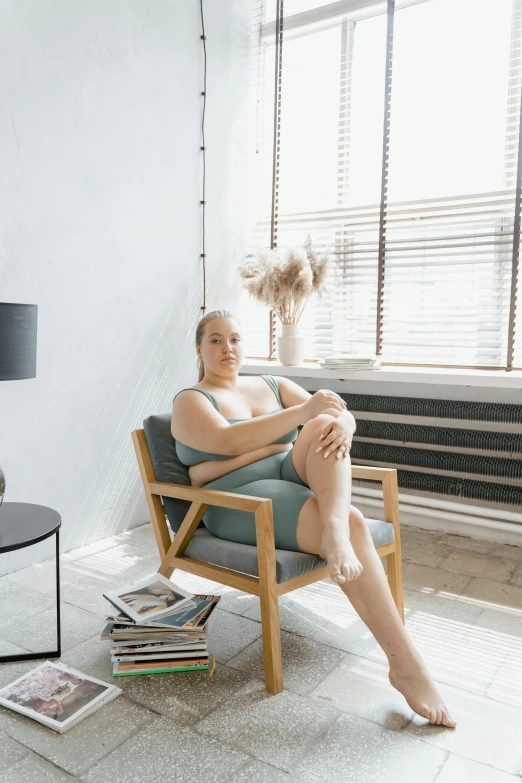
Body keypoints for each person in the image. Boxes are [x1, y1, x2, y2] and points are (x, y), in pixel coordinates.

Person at [171, 309, 456, 728]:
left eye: (234, 338)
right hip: (237, 500)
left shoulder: (269, 384)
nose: (226, 348)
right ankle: (407, 665)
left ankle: (336, 534)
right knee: (357, 522)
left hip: (289, 477)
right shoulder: (192, 400)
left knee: (324, 424)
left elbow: (335, 414)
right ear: (198, 349)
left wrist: (344, 424)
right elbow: (228, 442)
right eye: (215, 340)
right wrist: (297, 421)